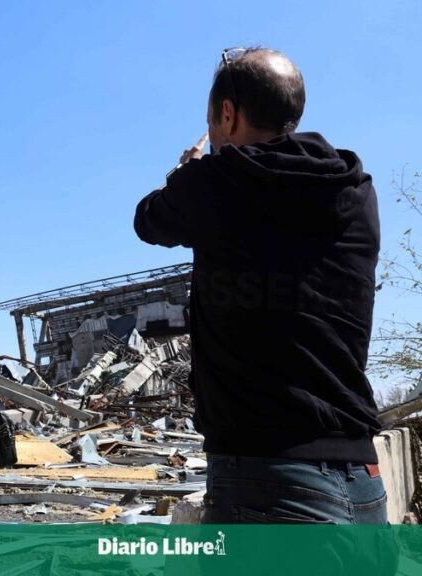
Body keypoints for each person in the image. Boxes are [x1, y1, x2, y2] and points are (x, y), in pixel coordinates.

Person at [134, 47, 387, 524]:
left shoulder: (213, 183)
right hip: (362, 479)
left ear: (227, 115)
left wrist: (188, 171)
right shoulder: (357, 190)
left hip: (264, 480)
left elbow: (149, 221)